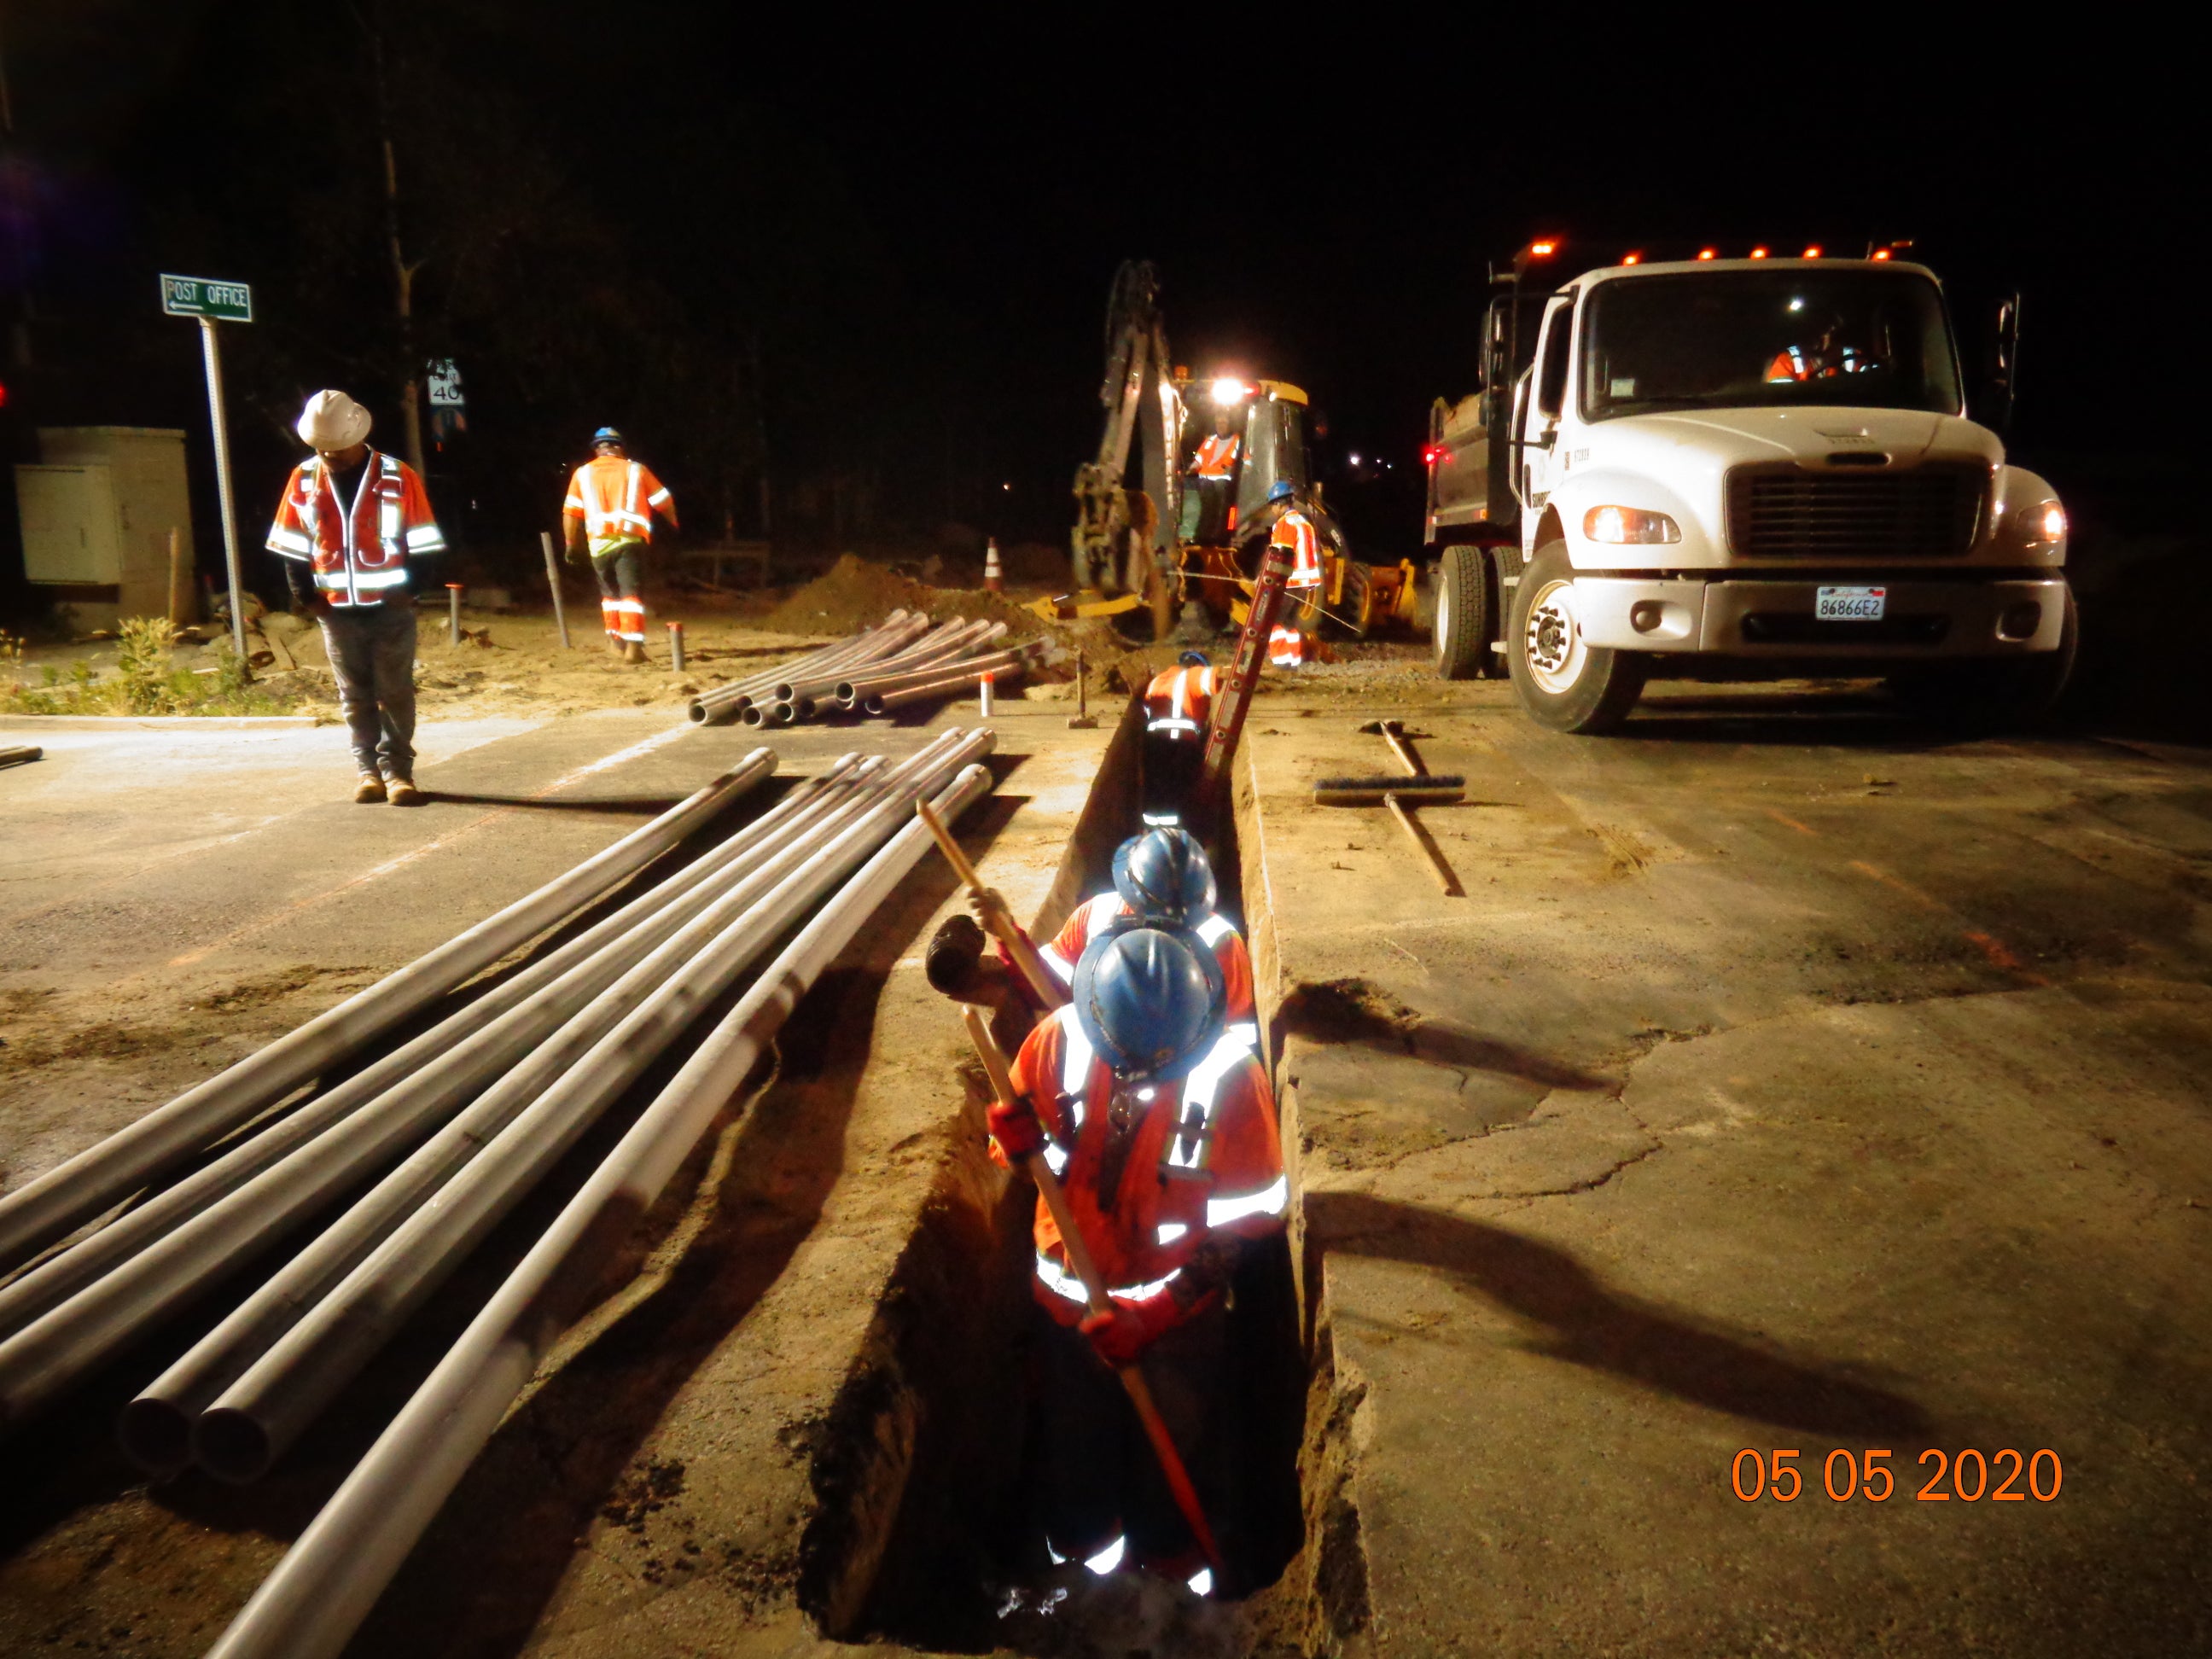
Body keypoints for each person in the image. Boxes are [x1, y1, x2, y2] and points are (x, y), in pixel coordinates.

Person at [990, 925, 1286, 1588]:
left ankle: (1172, 1578)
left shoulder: (1233, 1080)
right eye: (1121, 1058)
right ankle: (1082, 1567)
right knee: (1075, 1451)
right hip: (1068, 1308)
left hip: (1176, 1327)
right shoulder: (1056, 1040)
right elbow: (1043, 1166)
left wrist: (1154, 1315)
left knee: (1175, 1451)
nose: (1134, 1077)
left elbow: (1245, 1224)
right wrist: (1017, 1146)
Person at [265, 390, 446, 805]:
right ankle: (368, 773)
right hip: (335, 610)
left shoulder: (398, 476)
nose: (327, 455)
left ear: (356, 436)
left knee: (395, 692)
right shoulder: (304, 478)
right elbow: (292, 545)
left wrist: (410, 591)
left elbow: (424, 540)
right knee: (355, 696)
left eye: (334, 448)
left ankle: (399, 774)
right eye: (320, 448)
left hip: (390, 607)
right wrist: (307, 598)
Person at [925, 827, 1257, 1026]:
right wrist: (1009, 936)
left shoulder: (1221, 945)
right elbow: (1045, 989)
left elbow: (1227, 1049)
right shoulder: (1097, 914)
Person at [563, 428, 678, 663]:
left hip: (598, 545)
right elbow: (663, 501)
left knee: (609, 596)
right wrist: (674, 524)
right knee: (631, 595)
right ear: (620, 447)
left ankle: (616, 644)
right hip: (629, 541)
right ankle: (633, 650)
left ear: (597, 449)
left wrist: (570, 543)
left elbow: (571, 513)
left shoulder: (582, 474)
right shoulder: (636, 470)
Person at [1142, 650, 1215, 826]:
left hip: (1153, 746)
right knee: (1180, 793)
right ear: (1196, 666)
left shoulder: (1156, 682)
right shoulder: (1192, 676)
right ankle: (1181, 834)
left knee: (1156, 791)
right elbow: (1216, 677)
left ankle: (1152, 834)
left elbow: (1147, 712)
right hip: (1181, 747)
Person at [1266, 480, 1322, 668]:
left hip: (1291, 581)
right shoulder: (1305, 523)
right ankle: (1293, 660)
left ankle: (1281, 662)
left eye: (1272, 505)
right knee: (1290, 623)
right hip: (1306, 583)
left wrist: (1266, 577)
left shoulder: (1284, 524)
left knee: (1274, 620)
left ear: (1279, 504)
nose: (1272, 510)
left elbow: (1281, 555)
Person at [1187, 410, 1240, 543]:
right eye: (1218, 423)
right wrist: (1191, 469)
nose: (1220, 426)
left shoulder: (1237, 441)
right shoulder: (1210, 440)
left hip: (1223, 479)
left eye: (1223, 423)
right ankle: (1199, 536)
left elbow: (1243, 461)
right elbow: (1198, 460)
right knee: (1205, 502)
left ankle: (1216, 537)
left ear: (1230, 424)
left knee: (1218, 504)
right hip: (1205, 478)